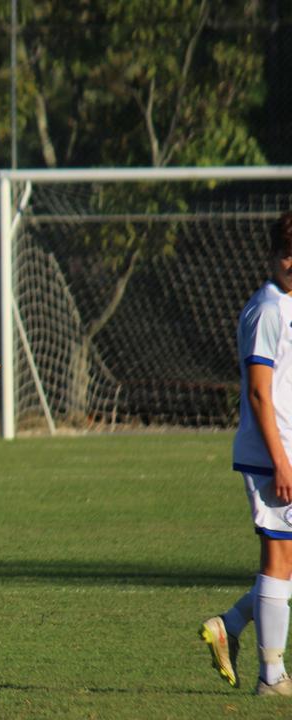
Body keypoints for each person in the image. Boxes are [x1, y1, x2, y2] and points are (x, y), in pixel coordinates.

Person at [200, 211, 292, 697]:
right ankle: (272, 676)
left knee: (286, 563)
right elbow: (259, 393)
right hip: (273, 456)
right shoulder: (269, 308)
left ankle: (230, 625)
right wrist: (280, 461)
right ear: (272, 256)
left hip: (284, 451)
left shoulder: (288, 304)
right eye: (286, 254)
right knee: (279, 558)